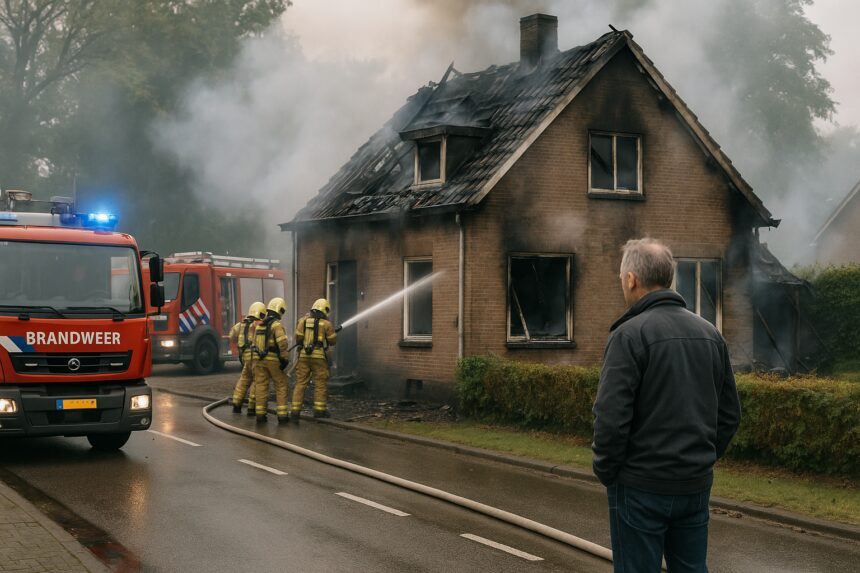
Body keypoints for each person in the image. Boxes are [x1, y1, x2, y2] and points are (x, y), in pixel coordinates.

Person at [592, 238, 741, 572]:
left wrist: (607, 470)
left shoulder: (628, 336)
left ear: (631, 279)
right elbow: (730, 415)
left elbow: (611, 418)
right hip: (695, 485)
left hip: (639, 486)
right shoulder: (710, 334)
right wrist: (699, 459)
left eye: (620, 278)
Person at [291, 298, 340, 421]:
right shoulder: (326, 324)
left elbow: (298, 338)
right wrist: (332, 333)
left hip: (303, 357)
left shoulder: (303, 321)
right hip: (318, 357)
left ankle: (295, 411)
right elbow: (332, 341)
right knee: (320, 383)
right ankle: (319, 411)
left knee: (301, 383)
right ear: (324, 311)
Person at [252, 297, 291, 424]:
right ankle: (282, 416)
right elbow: (282, 344)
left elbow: (254, 344)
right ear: (279, 309)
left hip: (259, 361)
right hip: (273, 361)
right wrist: (285, 359)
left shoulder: (260, 326)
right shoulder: (277, 325)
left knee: (261, 387)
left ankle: (260, 415)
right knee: (281, 385)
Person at [229, 301, 266, 414]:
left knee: (243, 380)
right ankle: (251, 407)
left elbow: (231, 336)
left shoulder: (240, 325)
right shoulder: (257, 324)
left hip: (244, 358)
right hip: (255, 357)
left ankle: (236, 404)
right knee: (256, 380)